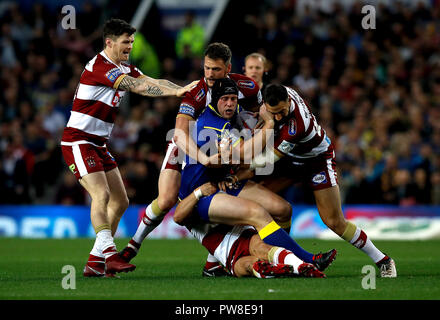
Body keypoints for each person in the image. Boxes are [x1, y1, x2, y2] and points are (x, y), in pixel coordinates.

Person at [60, 18, 197, 278]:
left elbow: (149, 79)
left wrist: (181, 89)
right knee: (101, 196)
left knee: (121, 201)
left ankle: (94, 261)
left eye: (132, 42)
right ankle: (110, 255)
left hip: (98, 143)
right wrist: (174, 93)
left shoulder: (122, 66)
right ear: (109, 42)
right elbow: (139, 86)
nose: (130, 47)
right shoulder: (101, 67)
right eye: (126, 42)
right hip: (79, 140)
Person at [119, 43, 262, 269]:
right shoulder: (197, 91)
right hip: (186, 147)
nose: (209, 75)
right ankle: (133, 245)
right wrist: (204, 159)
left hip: (220, 148)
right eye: (206, 68)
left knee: (226, 193)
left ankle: (213, 261)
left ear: (228, 68)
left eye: (215, 70)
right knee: (166, 200)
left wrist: (247, 137)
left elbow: (256, 115)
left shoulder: (247, 87)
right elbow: (179, 133)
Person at [246, 84, 397, 278]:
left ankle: (383, 260)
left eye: (282, 111)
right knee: (259, 196)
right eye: (273, 113)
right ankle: (286, 259)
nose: (278, 117)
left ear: (289, 102)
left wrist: (239, 163)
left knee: (333, 221)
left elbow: (269, 159)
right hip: (291, 158)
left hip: (315, 160)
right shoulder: (278, 93)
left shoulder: (297, 124)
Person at [173, 181, 325, 278]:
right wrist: (199, 192)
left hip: (243, 237)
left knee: (261, 247)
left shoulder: (216, 191)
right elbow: (178, 216)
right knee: (247, 266)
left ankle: (300, 266)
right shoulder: (189, 207)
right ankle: (283, 268)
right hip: (229, 256)